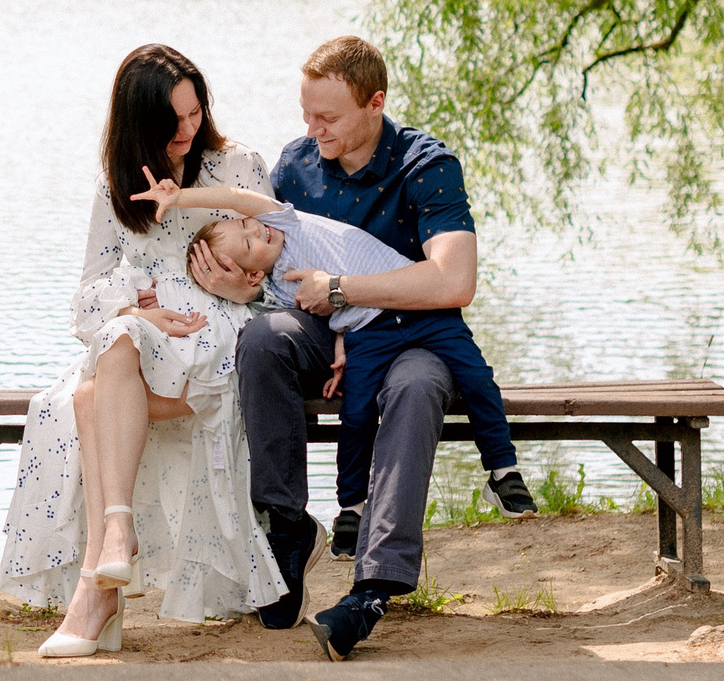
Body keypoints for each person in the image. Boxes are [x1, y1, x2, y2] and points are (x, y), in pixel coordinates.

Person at [190, 35, 521, 660]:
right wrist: (237, 288)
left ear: (376, 103)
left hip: (416, 335)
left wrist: (342, 288)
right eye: (306, 114)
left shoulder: (426, 165)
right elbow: (275, 275)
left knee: (416, 388)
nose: (312, 130)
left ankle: (371, 590)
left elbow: (455, 281)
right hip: (330, 334)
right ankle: (288, 529)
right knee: (262, 339)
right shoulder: (297, 164)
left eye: (328, 117)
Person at [0, 44, 285, 654]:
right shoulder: (118, 187)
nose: (187, 130)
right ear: (138, 123)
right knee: (112, 342)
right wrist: (132, 305)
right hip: (146, 340)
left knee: (89, 400)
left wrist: (243, 289)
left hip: (222, 338)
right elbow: (85, 300)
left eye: (195, 113)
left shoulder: (237, 165)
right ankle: (115, 539)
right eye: (172, 120)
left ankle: (100, 582)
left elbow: (288, 270)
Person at [168, 185, 526, 534]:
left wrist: (179, 196)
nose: (257, 230)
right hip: (369, 334)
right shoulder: (280, 291)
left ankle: (503, 472)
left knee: (477, 378)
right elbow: (327, 316)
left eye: (247, 223)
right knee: (357, 413)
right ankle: (352, 507)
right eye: (249, 244)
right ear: (253, 274)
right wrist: (340, 346)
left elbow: (234, 196)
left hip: (422, 310)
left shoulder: (286, 222)